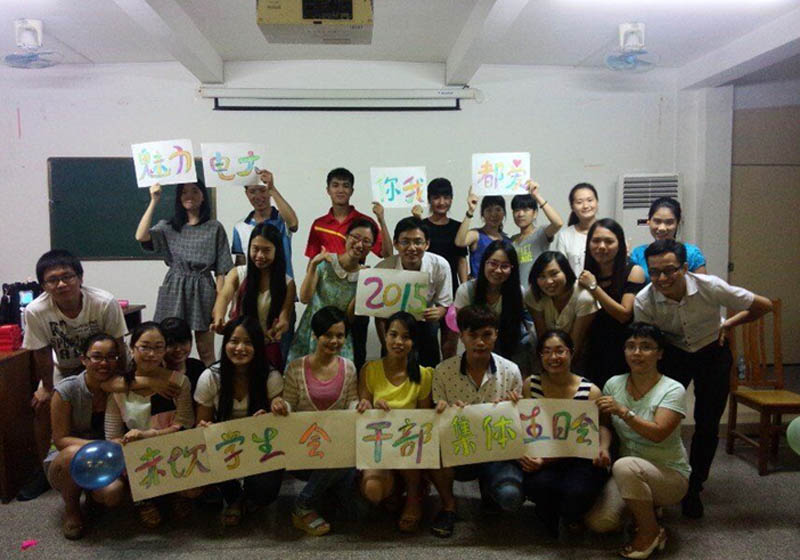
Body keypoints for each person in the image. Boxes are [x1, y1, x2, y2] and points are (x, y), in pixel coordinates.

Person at [633, 239, 772, 518]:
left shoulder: (710, 286)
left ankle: (694, 488)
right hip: (674, 354)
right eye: (655, 272)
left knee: (707, 423)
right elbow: (646, 340)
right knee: (662, 419)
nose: (662, 278)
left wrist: (727, 324)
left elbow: (764, 305)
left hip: (713, 353)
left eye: (669, 270)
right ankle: (662, 483)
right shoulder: (644, 300)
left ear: (685, 268)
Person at [20, 249, 127, 501]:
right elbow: (41, 352)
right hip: (66, 367)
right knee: (42, 404)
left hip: (104, 363)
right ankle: (45, 468)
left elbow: (119, 344)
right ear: (43, 285)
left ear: (80, 277)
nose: (61, 284)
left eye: (67, 276)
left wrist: (120, 378)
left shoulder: (103, 302)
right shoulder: (36, 310)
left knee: (120, 396)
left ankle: (117, 456)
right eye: (52, 280)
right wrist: (47, 387)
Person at [586, 323, 691, 559]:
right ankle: (644, 508)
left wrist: (624, 412)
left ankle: (650, 532)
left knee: (624, 466)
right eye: (630, 346)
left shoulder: (672, 389)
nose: (637, 353)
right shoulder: (614, 384)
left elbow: (658, 433)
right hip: (628, 472)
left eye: (646, 347)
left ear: (660, 353)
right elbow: (605, 425)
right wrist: (603, 447)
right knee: (600, 523)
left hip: (669, 474)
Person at [429, 305, 524, 538]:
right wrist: (443, 411)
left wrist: (514, 406)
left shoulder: (511, 371)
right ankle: (448, 506)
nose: (480, 342)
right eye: (472, 335)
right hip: (459, 449)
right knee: (435, 452)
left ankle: (491, 492)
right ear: (461, 336)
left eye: (487, 335)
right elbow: (438, 422)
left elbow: (520, 425)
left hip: (497, 452)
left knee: (510, 496)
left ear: (496, 335)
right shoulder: (443, 371)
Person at [512, 330, 611, 537]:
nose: (553, 357)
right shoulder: (531, 384)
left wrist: (603, 448)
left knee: (577, 493)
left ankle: (572, 514)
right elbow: (525, 424)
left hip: (579, 458)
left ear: (571, 353)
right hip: (543, 455)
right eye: (547, 352)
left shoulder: (590, 390)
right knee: (537, 485)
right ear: (540, 356)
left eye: (560, 351)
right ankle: (548, 512)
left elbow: (603, 425)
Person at [271, 307, 358, 536]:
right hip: (304, 449)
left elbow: (352, 402)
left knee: (357, 507)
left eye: (340, 335)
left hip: (336, 449)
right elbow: (289, 405)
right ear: (315, 335)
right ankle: (304, 504)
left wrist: (359, 407)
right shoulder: (296, 367)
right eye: (327, 335)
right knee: (341, 463)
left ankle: (324, 493)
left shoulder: (349, 367)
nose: (334, 341)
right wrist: (281, 406)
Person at [104, 322, 196, 528]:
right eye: (145, 347)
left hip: (171, 450)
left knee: (193, 490)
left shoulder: (178, 382)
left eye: (158, 348)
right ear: (132, 348)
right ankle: (143, 499)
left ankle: (175, 493)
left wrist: (149, 436)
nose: (152, 354)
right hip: (135, 456)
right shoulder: (118, 387)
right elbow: (112, 435)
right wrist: (130, 441)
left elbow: (185, 425)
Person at [194, 316, 284, 526]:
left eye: (248, 343)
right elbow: (201, 424)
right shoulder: (210, 377)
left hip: (259, 447)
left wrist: (273, 415)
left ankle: (250, 496)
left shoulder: (270, 376)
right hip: (225, 446)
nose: (240, 348)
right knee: (205, 450)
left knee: (265, 493)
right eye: (234, 341)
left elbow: (280, 427)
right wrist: (206, 428)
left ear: (258, 347)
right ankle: (234, 497)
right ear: (225, 343)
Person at [135, 181, 234, 365]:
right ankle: (170, 381)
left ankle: (209, 383)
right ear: (179, 198)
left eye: (195, 191)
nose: (189, 196)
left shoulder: (214, 227)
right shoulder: (168, 226)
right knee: (168, 346)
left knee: (206, 350)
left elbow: (222, 270)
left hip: (203, 288)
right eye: (184, 192)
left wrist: (219, 305)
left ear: (203, 196)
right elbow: (141, 236)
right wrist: (154, 200)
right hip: (175, 287)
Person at [305, 167, 392, 371]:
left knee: (356, 355)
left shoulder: (365, 223)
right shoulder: (319, 224)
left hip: (356, 294)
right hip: (325, 301)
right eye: (335, 185)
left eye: (345, 186)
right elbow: (312, 262)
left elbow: (387, 254)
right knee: (320, 354)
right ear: (328, 190)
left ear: (352, 190)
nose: (340, 190)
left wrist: (381, 219)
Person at [356, 311, 434, 533]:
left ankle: (413, 497)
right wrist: (369, 406)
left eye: (406, 337)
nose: (399, 342)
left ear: (413, 341)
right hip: (378, 444)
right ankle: (394, 490)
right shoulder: (369, 370)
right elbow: (363, 407)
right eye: (393, 335)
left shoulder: (424, 375)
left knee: (410, 454)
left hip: (408, 447)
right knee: (373, 490)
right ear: (385, 336)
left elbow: (424, 419)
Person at [45, 334, 129, 539]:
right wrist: (106, 445)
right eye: (97, 357)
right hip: (66, 460)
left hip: (109, 460)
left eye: (111, 357)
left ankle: (93, 497)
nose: (104, 363)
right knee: (73, 453)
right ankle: (72, 509)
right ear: (84, 359)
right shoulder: (68, 389)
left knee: (112, 494)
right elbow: (61, 439)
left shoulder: (122, 385)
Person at [288, 218, 378, 364]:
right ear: (346, 236)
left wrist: (363, 286)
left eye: (366, 241)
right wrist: (313, 265)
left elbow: (349, 318)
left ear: (371, 246)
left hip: (338, 338)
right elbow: (304, 298)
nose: (359, 244)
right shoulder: (325, 261)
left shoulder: (365, 277)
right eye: (355, 237)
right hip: (312, 331)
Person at [211, 222, 296, 369]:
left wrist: (279, 328)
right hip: (239, 346)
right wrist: (219, 318)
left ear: (277, 251)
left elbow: (284, 317)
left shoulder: (287, 283)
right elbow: (223, 297)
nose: (260, 256)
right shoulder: (238, 274)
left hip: (267, 347)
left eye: (266, 250)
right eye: (255, 249)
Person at [375, 216, 452, 366]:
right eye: (405, 242)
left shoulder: (440, 265)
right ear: (396, 244)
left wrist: (439, 312)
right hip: (393, 325)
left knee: (428, 366)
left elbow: (445, 304)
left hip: (425, 321)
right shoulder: (383, 269)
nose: (412, 248)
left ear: (427, 244)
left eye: (418, 242)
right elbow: (378, 316)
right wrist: (386, 344)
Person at [578, 219, 645, 388]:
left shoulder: (633, 271)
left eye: (609, 241)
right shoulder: (588, 273)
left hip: (623, 350)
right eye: (596, 241)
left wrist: (594, 288)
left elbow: (624, 314)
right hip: (593, 350)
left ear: (620, 244)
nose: (601, 246)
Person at [413, 177, 467, 359]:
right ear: (429, 199)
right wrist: (416, 220)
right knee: (427, 343)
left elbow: (461, 259)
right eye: (436, 197)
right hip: (425, 292)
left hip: (452, 292)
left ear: (451, 199)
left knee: (450, 344)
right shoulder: (422, 226)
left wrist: (464, 288)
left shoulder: (458, 227)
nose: (441, 202)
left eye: (446, 197)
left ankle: (448, 375)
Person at [454, 239, 524, 360]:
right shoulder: (466, 291)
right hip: (475, 347)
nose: (498, 270)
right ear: (484, 263)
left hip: (509, 348)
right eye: (493, 263)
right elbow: (463, 328)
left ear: (512, 268)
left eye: (505, 266)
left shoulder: (518, 292)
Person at [525, 251, 597, 367]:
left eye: (554, 274)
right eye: (542, 276)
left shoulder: (583, 298)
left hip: (578, 357)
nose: (549, 281)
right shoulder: (533, 294)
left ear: (566, 272)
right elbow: (542, 335)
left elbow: (576, 343)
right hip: (544, 354)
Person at [231, 168, 298, 276]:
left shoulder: (282, 220)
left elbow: (294, 224)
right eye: (252, 192)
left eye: (263, 190)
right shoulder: (240, 227)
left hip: (283, 284)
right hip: (253, 285)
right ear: (246, 194)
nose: (258, 196)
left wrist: (272, 188)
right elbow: (240, 264)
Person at [629, 197, 706, 283]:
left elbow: (702, 288)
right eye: (657, 221)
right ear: (649, 222)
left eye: (669, 222)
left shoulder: (692, 254)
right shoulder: (638, 254)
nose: (662, 228)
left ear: (677, 223)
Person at [510, 180, 564, 283]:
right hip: (517, 289)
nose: (520, 214)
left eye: (526, 210)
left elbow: (558, 223)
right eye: (516, 210)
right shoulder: (512, 240)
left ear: (534, 213)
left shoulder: (541, 233)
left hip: (538, 288)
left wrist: (537, 196)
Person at [455, 190, 509, 278]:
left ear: (504, 213)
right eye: (489, 210)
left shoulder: (507, 240)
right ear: (482, 214)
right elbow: (459, 242)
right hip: (479, 285)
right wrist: (470, 211)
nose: (493, 214)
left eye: (498, 209)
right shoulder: (476, 235)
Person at [553, 183, 599, 273]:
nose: (585, 206)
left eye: (590, 200)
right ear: (572, 207)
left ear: (597, 202)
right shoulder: (565, 235)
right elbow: (562, 270)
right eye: (579, 202)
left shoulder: (609, 231)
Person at [160, 316, 207, 400]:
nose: (178, 349)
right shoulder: (154, 370)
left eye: (183, 342)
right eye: (171, 344)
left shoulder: (198, 368)